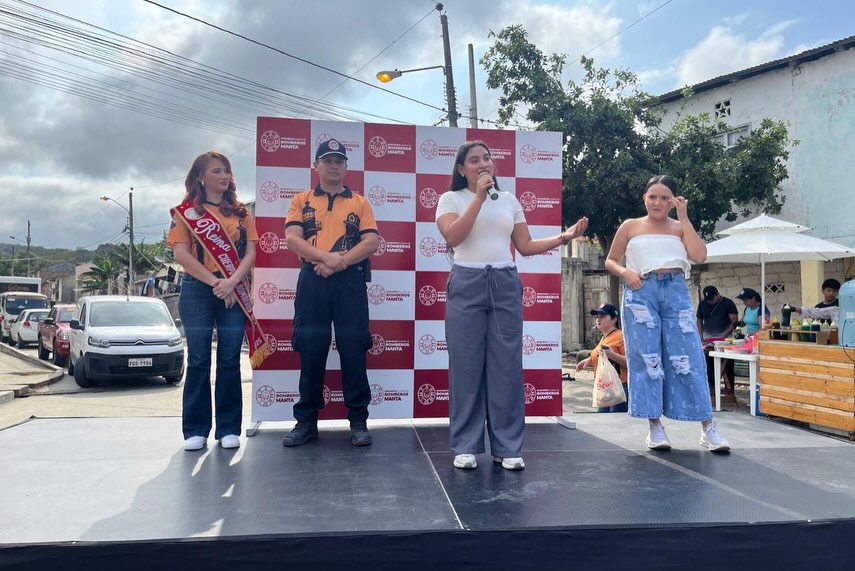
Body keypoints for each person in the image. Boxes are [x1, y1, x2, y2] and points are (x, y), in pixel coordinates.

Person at [436, 140, 588, 470]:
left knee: (506, 367)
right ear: (461, 169)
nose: (483, 164)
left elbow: (525, 245)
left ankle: (507, 447)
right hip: (467, 281)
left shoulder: (508, 199)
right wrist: (478, 197)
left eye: (486, 157)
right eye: (474, 160)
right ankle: (465, 445)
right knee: (466, 366)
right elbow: (453, 237)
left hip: (504, 281)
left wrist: (565, 237)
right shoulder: (451, 199)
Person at [604, 175, 730, 452]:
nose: (657, 202)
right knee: (647, 359)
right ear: (644, 198)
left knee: (690, 358)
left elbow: (699, 256)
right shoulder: (630, 226)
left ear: (673, 201)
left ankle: (708, 427)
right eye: (652, 197)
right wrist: (626, 272)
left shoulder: (679, 227)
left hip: (675, 291)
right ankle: (655, 426)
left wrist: (684, 217)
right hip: (641, 291)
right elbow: (611, 260)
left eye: (664, 198)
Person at [281, 139, 379, 448]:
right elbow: (292, 239)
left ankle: (359, 421)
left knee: (353, 347)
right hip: (313, 279)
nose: (334, 165)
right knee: (311, 348)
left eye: (339, 161)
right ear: (316, 166)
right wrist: (326, 259)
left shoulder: (360, 202)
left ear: (346, 166)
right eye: (327, 160)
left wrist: (339, 263)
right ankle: (306, 421)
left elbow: (371, 241)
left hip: (349, 280)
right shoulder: (301, 200)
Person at [168, 151, 259, 451]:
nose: (224, 176)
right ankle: (196, 429)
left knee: (230, 359)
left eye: (227, 171)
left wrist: (231, 282)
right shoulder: (187, 213)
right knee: (198, 359)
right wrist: (217, 283)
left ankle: (228, 428)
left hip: (234, 287)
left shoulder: (241, 213)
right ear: (200, 177)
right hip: (198, 287)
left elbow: (251, 253)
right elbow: (181, 254)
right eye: (217, 171)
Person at [575, 303, 628, 413]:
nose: (598, 320)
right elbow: (601, 355)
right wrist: (589, 360)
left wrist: (612, 355)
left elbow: (632, 363)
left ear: (614, 319)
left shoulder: (620, 336)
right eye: (597, 317)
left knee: (615, 421)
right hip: (605, 388)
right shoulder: (605, 337)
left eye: (603, 316)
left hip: (619, 387)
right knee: (603, 419)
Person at [696, 285, 737, 393]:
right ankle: (711, 390)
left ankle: (730, 390)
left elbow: (734, 321)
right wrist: (701, 336)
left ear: (717, 294)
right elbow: (699, 320)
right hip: (708, 340)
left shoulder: (728, 303)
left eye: (712, 298)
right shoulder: (702, 305)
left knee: (727, 367)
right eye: (708, 299)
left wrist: (724, 334)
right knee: (709, 366)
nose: (710, 301)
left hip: (725, 340)